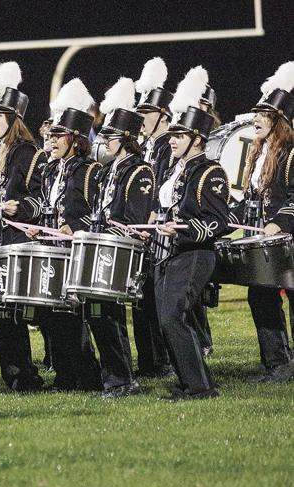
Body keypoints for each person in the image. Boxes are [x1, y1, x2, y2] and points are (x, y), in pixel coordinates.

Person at [154, 69, 229, 399]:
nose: (172, 140)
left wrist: (183, 229)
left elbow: (218, 221)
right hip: (169, 251)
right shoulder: (176, 169)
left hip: (195, 254)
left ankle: (200, 387)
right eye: (172, 134)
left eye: (179, 135)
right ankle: (189, 383)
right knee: (165, 320)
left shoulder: (210, 171)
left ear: (197, 139)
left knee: (173, 317)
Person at [25, 78, 103, 392]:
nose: (51, 139)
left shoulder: (89, 170)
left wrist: (75, 227)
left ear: (75, 139)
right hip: (52, 250)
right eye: (51, 134)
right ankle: (64, 375)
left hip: (75, 253)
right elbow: (48, 207)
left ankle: (87, 376)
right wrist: (38, 225)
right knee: (51, 316)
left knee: (73, 316)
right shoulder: (50, 170)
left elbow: (98, 214)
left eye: (59, 135)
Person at [0, 61, 47, 392]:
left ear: (13, 120)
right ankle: (14, 374)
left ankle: (26, 374)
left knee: (13, 312)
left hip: (15, 240)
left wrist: (22, 208)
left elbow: (41, 199)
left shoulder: (27, 152)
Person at [87, 77, 155, 398]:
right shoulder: (106, 171)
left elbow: (135, 223)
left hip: (120, 254)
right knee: (97, 315)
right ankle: (112, 377)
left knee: (109, 317)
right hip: (101, 251)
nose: (104, 141)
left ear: (126, 138)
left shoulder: (140, 171)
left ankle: (123, 379)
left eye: (110, 136)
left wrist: (105, 232)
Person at [229, 61, 294, 383]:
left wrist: (279, 223)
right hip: (262, 240)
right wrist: (227, 220)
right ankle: (277, 364)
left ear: (278, 121)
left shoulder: (291, 153)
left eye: (263, 114)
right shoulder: (256, 154)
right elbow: (249, 199)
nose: (255, 118)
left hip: (287, 238)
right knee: (260, 296)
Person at [133, 57, 175, 377]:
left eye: (147, 112)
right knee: (141, 298)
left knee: (155, 298)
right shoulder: (147, 147)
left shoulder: (166, 147)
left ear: (163, 114)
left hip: (158, 232)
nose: (141, 118)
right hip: (143, 230)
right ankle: (148, 360)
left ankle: (161, 360)